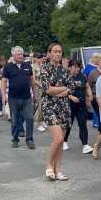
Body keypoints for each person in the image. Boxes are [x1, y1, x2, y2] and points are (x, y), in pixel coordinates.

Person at [40, 43, 75, 181]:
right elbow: (47, 89)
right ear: (49, 53)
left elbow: (71, 87)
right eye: (55, 51)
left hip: (64, 108)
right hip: (49, 107)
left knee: (61, 142)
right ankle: (49, 165)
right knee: (58, 138)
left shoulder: (65, 70)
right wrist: (63, 89)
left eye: (60, 51)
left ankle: (58, 170)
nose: (58, 54)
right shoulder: (44, 69)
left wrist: (60, 90)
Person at [1, 46, 36, 150]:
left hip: (27, 98)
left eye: (22, 54)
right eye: (18, 54)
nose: (21, 56)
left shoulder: (28, 65)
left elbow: (32, 80)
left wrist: (35, 95)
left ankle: (29, 139)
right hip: (13, 98)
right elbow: (3, 82)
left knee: (29, 118)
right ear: (13, 55)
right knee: (15, 120)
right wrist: (3, 96)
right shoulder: (8, 67)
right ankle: (15, 139)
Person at [63, 59, 94, 154]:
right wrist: (71, 97)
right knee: (69, 124)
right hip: (69, 105)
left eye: (78, 67)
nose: (77, 69)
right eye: (75, 67)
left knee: (83, 124)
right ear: (70, 67)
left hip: (81, 104)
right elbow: (61, 91)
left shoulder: (82, 76)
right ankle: (64, 141)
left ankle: (85, 145)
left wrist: (90, 95)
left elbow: (87, 86)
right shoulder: (65, 77)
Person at [32, 52, 46, 132]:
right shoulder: (33, 67)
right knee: (39, 105)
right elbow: (33, 79)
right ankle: (39, 123)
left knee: (44, 104)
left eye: (41, 57)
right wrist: (41, 85)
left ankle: (42, 120)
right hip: (37, 88)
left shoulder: (43, 66)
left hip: (44, 87)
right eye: (39, 57)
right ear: (35, 58)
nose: (41, 59)